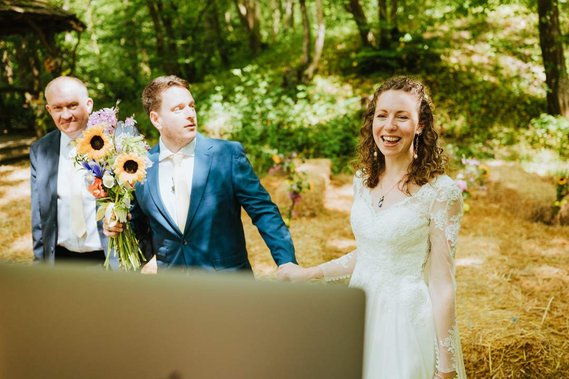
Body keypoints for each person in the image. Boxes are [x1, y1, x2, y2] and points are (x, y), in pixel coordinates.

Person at [278, 76, 467, 379]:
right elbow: (371, 253)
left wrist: (445, 367)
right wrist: (308, 273)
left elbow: (443, 283)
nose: (389, 126)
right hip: (359, 316)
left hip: (405, 323)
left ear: (420, 125)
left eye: (402, 116)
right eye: (382, 115)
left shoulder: (441, 193)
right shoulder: (362, 180)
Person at [105, 75, 298, 274]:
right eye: (178, 109)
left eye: (191, 106)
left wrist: (286, 260)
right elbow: (138, 226)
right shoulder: (139, 166)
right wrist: (117, 225)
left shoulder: (227, 155)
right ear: (156, 119)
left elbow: (264, 211)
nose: (190, 114)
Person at [30, 76, 117, 268]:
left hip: (107, 260)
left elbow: (138, 210)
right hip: (61, 259)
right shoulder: (40, 150)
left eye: (72, 105)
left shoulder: (115, 143)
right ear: (49, 110)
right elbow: (39, 216)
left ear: (88, 104)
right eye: (58, 108)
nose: (66, 115)